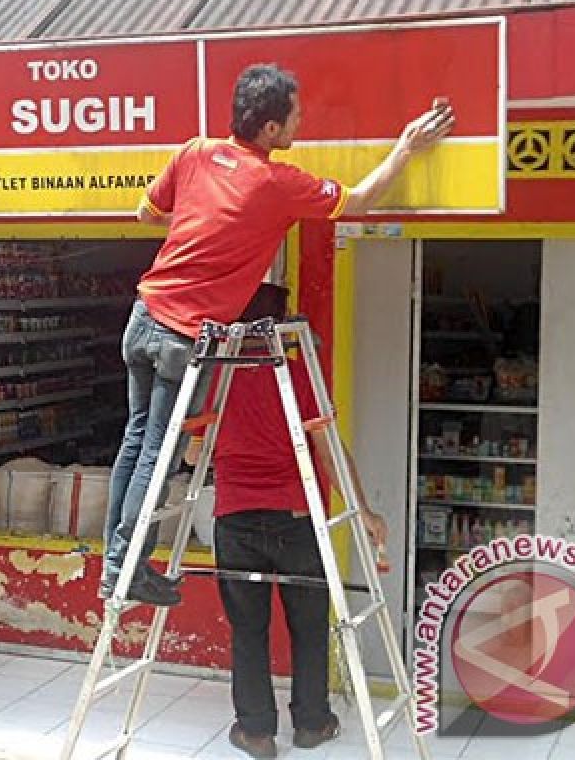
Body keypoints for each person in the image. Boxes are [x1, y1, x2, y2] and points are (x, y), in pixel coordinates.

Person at [103, 63, 451, 605]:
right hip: (180, 335)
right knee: (156, 455)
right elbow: (358, 201)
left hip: (144, 315)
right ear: (269, 129)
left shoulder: (194, 152)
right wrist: (406, 147)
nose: (300, 124)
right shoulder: (277, 183)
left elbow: (146, 213)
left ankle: (114, 563)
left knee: (135, 440)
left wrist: (206, 230)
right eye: (294, 116)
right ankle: (128, 570)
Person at [184, 284, 389, 759]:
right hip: (297, 521)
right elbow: (330, 454)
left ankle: (255, 733)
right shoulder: (299, 377)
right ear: (279, 328)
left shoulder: (216, 381)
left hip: (234, 521)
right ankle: (313, 725)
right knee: (310, 625)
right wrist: (364, 509)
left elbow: (196, 455)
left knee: (248, 630)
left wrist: (225, 442)